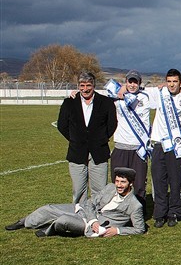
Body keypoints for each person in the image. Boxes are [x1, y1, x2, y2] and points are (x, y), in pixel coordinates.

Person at [5, 167, 145, 237]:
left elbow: (140, 229)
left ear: (131, 184)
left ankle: (50, 230)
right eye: (117, 181)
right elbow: (90, 203)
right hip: (85, 212)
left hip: (90, 226)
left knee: (63, 220)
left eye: (123, 182)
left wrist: (118, 230)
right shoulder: (109, 188)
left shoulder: (135, 205)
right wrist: (93, 220)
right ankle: (24, 222)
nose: (119, 185)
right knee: (48, 208)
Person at [57, 71, 118, 204]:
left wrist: (100, 139)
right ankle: (80, 218)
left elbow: (112, 125)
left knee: (99, 190)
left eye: (88, 85)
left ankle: (97, 217)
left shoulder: (106, 103)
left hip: (99, 151)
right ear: (78, 85)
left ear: (94, 85)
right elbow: (62, 126)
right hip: (76, 151)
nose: (85, 89)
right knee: (79, 190)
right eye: (82, 85)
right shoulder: (69, 103)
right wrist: (75, 139)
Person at [150, 69, 181, 228]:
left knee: (175, 182)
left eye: (175, 81)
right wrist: (123, 88)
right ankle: (159, 214)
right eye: (169, 81)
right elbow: (136, 91)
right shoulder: (160, 94)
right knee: (159, 181)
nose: (172, 84)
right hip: (159, 145)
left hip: (177, 146)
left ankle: (174, 213)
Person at [109, 70, 151, 215]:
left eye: (135, 82)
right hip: (120, 147)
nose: (132, 85)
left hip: (139, 149)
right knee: (119, 183)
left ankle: (138, 213)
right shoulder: (116, 97)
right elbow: (93, 97)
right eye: (130, 82)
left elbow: (165, 89)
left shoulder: (146, 96)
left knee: (139, 183)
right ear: (125, 82)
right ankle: (120, 213)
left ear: (140, 83)